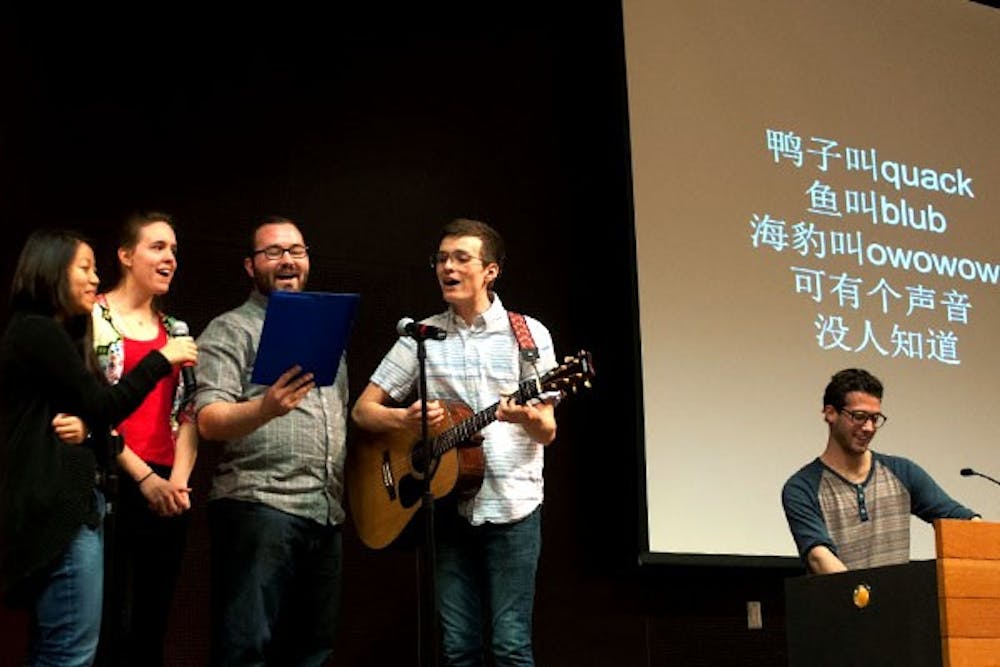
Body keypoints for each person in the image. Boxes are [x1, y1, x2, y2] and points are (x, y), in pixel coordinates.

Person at [352, 218, 559, 666]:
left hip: (513, 507)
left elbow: (547, 428)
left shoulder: (528, 335)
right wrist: (403, 418)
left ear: (490, 271)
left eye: (461, 258)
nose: (447, 266)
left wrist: (523, 415)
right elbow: (362, 410)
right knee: (457, 647)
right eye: (442, 258)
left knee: (510, 645)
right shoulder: (421, 336)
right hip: (447, 509)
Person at [0, 229, 197, 667]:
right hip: (60, 508)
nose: (94, 279)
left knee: (65, 646)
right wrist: (161, 359)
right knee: (70, 651)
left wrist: (88, 426)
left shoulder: (53, 335)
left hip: (74, 500)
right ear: (51, 271)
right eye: (84, 268)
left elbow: (89, 413)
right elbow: (104, 405)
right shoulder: (37, 331)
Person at [193, 215, 348, 666]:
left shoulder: (328, 330)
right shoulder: (231, 329)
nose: (287, 261)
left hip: (323, 512)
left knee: (311, 653)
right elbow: (209, 419)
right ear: (250, 266)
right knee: (246, 650)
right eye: (273, 253)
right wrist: (266, 408)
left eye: (296, 251)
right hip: (260, 505)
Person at [89, 211, 199, 666]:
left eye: (173, 250)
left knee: (153, 623)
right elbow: (90, 408)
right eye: (157, 247)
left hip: (168, 487)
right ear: (125, 255)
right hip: (110, 477)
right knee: (106, 619)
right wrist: (142, 479)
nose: (169, 257)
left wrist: (175, 480)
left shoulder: (177, 331)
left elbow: (190, 411)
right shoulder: (93, 316)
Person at [781, 368, 980, 574]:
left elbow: (958, 519)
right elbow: (819, 557)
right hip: (839, 603)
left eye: (875, 419)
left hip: (896, 603)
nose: (868, 427)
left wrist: (985, 536)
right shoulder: (802, 488)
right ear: (830, 413)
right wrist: (865, 600)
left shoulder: (902, 472)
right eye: (859, 417)